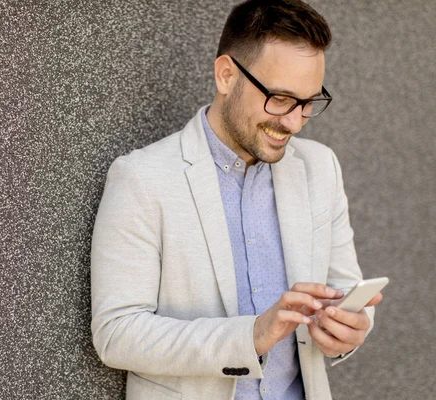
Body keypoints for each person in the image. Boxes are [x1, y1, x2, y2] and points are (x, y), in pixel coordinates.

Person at [90, 1, 383, 399]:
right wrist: (251, 335)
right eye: (280, 98)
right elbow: (117, 334)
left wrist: (350, 329)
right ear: (226, 75)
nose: (295, 122)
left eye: (309, 102)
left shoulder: (321, 168)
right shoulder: (142, 178)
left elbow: (347, 291)